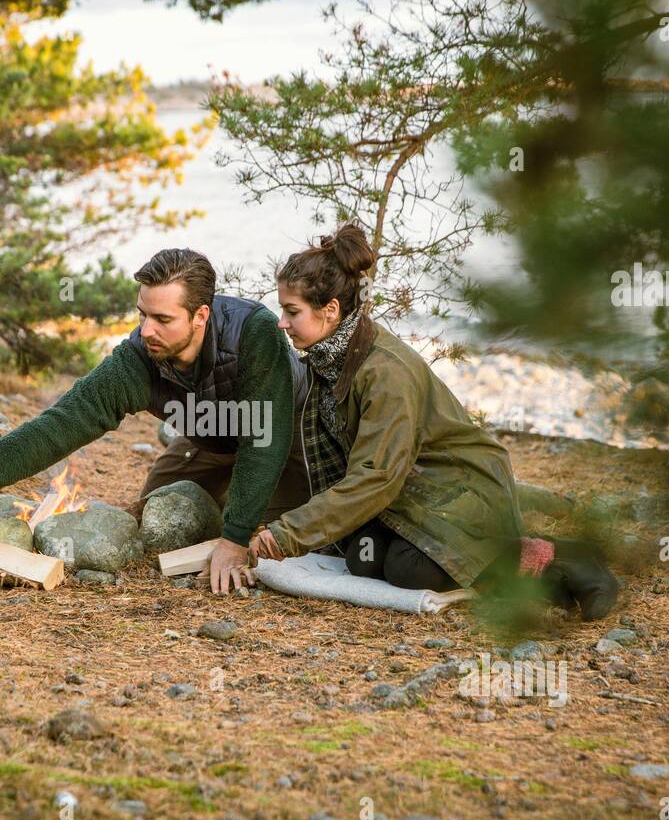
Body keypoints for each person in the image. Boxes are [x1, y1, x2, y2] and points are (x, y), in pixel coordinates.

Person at [248, 224, 619, 620]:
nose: (282, 323)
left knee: (410, 570)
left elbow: (377, 476)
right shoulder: (330, 356)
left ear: (331, 311)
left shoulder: (384, 373)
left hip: (460, 489)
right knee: (363, 560)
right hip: (410, 494)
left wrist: (286, 535)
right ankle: (526, 570)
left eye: (292, 312)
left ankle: (561, 556)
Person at [0, 247, 309, 593]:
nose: (146, 330)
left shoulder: (256, 334)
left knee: (280, 539)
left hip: (284, 439)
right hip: (210, 437)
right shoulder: (140, 356)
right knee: (155, 523)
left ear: (200, 316)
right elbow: (63, 422)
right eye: (143, 314)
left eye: (163, 319)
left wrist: (235, 539)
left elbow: (264, 438)